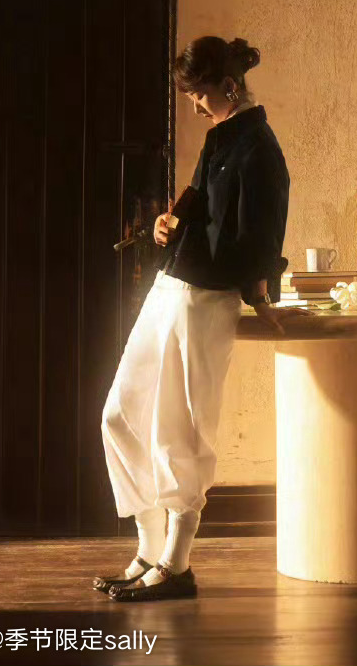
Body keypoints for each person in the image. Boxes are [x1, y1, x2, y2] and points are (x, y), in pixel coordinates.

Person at [94, 35, 299, 602]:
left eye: (199, 95)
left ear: (228, 87)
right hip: (171, 285)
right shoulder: (220, 138)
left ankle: (176, 564)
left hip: (208, 299)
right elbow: (198, 197)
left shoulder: (262, 149)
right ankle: (147, 549)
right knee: (119, 414)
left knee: (181, 429)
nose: (194, 106)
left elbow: (262, 235)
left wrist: (260, 295)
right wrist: (168, 220)